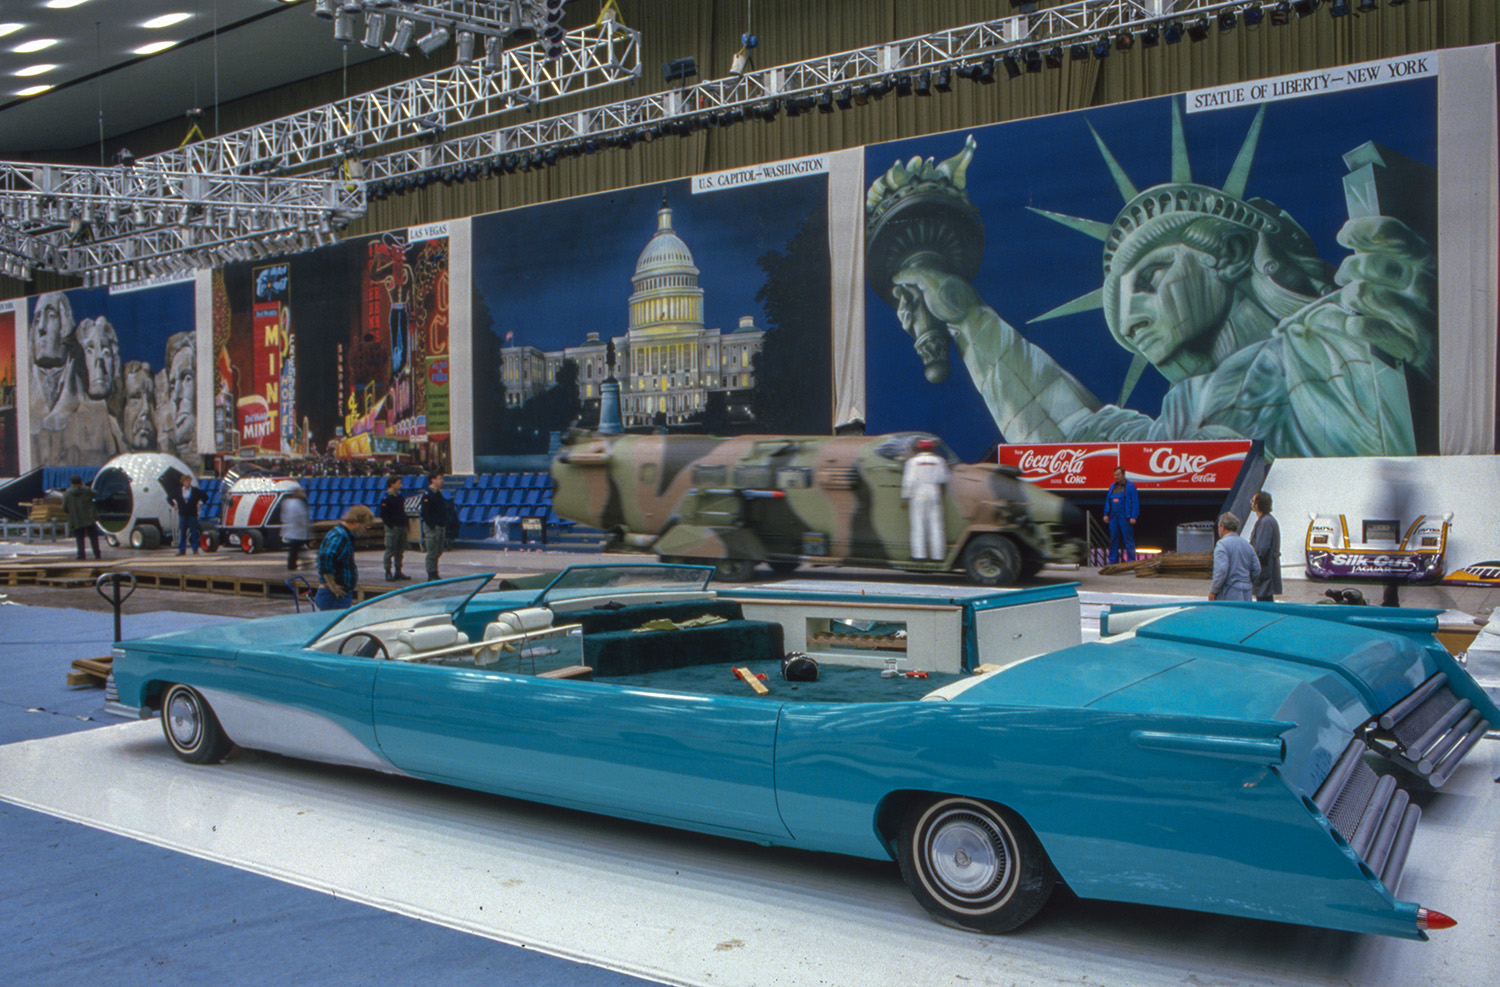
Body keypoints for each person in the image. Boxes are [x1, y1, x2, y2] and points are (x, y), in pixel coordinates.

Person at [870, 108, 1435, 460]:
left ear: (1233, 251)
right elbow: (1069, 439)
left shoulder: (1339, 330)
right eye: (1118, 310)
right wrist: (967, 318)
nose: (1131, 318)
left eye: (1151, 277)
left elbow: (1399, 341)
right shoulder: (1188, 410)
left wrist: (1427, 311)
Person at [900, 437, 949, 561]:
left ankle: (919, 555)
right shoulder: (939, 461)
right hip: (934, 492)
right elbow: (944, 479)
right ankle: (938, 556)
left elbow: (908, 481)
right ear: (932, 448)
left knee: (918, 525)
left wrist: (905, 496)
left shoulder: (912, 461)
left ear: (918, 449)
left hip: (918, 493)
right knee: (936, 525)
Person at [315, 505, 373, 611]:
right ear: (355, 522)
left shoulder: (343, 535)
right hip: (334, 596)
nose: (364, 530)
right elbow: (326, 556)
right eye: (364, 526)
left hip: (339, 595)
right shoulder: (341, 537)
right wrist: (332, 585)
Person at [1208, 511, 1261, 602]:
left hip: (1229, 592)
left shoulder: (1222, 545)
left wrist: (1213, 590)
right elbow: (1257, 569)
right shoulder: (1247, 545)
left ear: (1222, 526)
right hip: (1246, 592)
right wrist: (1246, 581)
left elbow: (1221, 570)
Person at [1101, 466, 1139, 564]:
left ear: (1123, 475)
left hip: (1125, 517)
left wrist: (1133, 516)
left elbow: (1135, 502)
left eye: (1118, 475)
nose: (1116, 477)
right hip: (1113, 517)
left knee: (1128, 540)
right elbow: (1108, 501)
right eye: (1115, 475)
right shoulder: (1112, 486)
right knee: (1113, 539)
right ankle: (1113, 561)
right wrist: (1106, 514)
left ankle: (1131, 562)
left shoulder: (1131, 487)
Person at [1249, 491, 1282, 602]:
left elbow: (1261, 549)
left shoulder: (1265, 522)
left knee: (1264, 601)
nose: (1251, 503)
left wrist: (1251, 563)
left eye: (1253, 501)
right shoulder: (1266, 520)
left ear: (1257, 504)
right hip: (1265, 570)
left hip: (1265, 571)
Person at [379, 475, 411, 581]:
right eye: (398, 483)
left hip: (401, 525)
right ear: (392, 484)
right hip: (393, 527)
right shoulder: (386, 498)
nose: (400, 485)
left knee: (400, 550)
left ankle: (398, 571)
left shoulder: (399, 497)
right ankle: (388, 571)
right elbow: (384, 514)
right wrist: (390, 525)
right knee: (390, 550)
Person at [61, 475, 101, 561]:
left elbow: (64, 507)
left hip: (76, 518)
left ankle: (81, 555)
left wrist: (71, 512)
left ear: (71, 483)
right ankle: (97, 554)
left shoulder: (67, 493)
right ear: (81, 481)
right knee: (93, 537)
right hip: (89, 517)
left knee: (79, 538)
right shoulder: (86, 490)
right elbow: (96, 494)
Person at [419, 472, 450, 581]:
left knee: (438, 550)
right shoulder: (428, 495)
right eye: (439, 478)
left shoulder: (438, 494)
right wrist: (432, 525)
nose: (441, 481)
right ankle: (431, 573)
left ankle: (435, 570)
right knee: (431, 551)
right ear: (433, 480)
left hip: (440, 525)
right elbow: (425, 513)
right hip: (432, 526)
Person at [171, 473, 207, 555]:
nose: (188, 482)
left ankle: (195, 550)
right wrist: (174, 505)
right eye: (186, 481)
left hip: (192, 514)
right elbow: (169, 498)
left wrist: (200, 503)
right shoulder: (178, 491)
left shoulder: (195, 491)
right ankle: (182, 550)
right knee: (182, 533)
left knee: (194, 532)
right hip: (182, 514)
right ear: (183, 482)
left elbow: (205, 497)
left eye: (189, 481)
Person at [281, 486, 310, 572]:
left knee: (298, 547)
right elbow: (296, 516)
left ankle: (301, 562)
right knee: (295, 548)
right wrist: (301, 523)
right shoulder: (293, 503)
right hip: (295, 529)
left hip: (296, 530)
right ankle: (292, 565)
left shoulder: (292, 502)